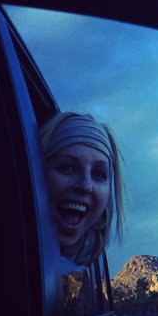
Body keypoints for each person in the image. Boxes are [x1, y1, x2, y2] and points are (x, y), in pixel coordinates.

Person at [39, 112, 127, 266]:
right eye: (67, 167)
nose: (85, 185)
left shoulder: (78, 269)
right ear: (35, 171)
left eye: (99, 174)